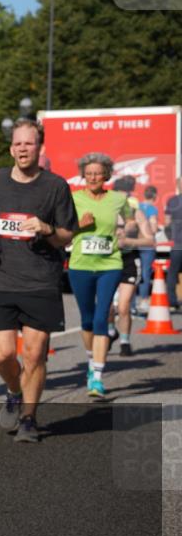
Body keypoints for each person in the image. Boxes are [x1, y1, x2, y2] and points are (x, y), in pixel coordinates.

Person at [0, 118, 76, 443]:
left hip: (41, 280)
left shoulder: (55, 186)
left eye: (28, 143)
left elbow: (66, 235)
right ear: (11, 148)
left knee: (34, 354)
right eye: (17, 143)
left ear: (39, 147)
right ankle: (14, 390)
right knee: (3, 355)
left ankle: (29, 418)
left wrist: (47, 230)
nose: (22, 149)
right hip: (0, 279)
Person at [67, 154, 136, 398]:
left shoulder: (118, 198)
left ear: (106, 175)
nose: (94, 177)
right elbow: (61, 230)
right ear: (83, 176)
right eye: (89, 173)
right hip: (80, 265)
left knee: (101, 317)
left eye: (98, 173)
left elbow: (130, 220)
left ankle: (96, 377)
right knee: (86, 319)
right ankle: (90, 362)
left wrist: (127, 231)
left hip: (110, 264)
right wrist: (79, 226)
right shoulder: (73, 199)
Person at [107, 176, 156, 357]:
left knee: (124, 306)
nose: (122, 197)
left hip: (127, 261)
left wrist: (129, 240)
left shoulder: (136, 212)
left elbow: (150, 240)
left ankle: (125, 342)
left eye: (125, 194)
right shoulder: (106, 210)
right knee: (107, 306)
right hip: (106, 261)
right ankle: (112, 330)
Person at [137, 185, 159, 304]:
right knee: (146, 273)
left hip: (135, 243)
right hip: (147, 244)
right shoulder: (152, 209)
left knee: (135, 272)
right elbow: (154, 227)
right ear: (154, 196)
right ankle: (143, 299)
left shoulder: (137, 207)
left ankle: (131, 302)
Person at [166, 177, 182, 311]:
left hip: (177, 244)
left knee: (172, 273)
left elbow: (167, 222)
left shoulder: (172, 201)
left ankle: (172, 302)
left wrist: (170, 236)